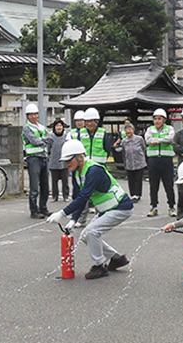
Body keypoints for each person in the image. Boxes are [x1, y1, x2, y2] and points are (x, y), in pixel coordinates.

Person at [47, 139, 133, 279]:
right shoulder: (77, 172)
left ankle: (99, 266)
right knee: (85, 235)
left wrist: (62, 213)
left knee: (92, 232)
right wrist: (73, 219)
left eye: (70, 159)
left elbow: (83, 196)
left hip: (121, 207)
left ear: (80, 157)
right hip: (108, 209)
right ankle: (116, 258)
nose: (67, 163)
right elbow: (82, 197)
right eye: (65, 160)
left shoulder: (93, 170)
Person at [145, 108, 176, 217]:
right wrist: (158, 141)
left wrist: (158, 141)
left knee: (169, 184)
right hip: (153, 160)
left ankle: (171, 207)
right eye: (155, 119)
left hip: (166, 159)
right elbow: (148, 140)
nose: (157, 121)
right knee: (153, 185)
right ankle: (154, 207)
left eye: (159, 119)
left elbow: (170, 138)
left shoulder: (169, 128)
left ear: (164, 120)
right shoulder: (150, 129)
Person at [22, 103, 51, 219]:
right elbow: (34, 141)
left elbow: (51, 138)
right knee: (34, 186)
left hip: (44, 157)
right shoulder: (26, 128)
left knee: (45, 185)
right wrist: (44, 139)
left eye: (35, 114)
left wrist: (42, 139)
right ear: (27, 116)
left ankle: (43, 208)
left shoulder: (42, 127)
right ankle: (34, 210)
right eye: (31, 114)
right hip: (33, 158)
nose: (34, 116)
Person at [114, 123, 146, 201]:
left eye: (130, 129)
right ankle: (133, 194)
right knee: (131, 179)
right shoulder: (124, 141)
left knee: (138, 179)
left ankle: (137, 194)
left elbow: (144, 148)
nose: (128, 131)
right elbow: (123, 151)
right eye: (126, 130)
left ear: (133, 130)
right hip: (129, 163)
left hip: (139, 162)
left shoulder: (139, 139)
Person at [46, 118, 70, 202]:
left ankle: (65, 196)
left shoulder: (66, 136)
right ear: (54, 127)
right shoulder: (51, 137)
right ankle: (54, 196)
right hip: (54, 162)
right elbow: (48, 148)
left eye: (60, 125)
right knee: (54, 181)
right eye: (57, 126)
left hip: (64, 162)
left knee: (65, 181)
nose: (59, 127)